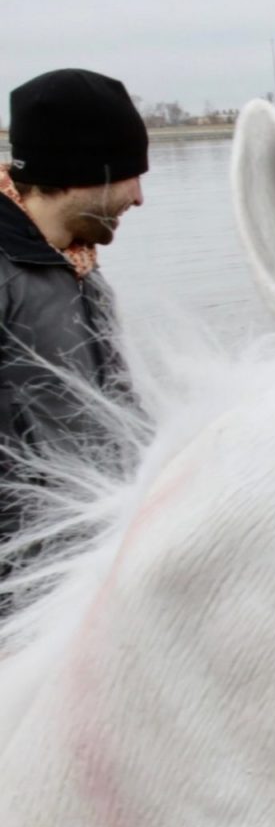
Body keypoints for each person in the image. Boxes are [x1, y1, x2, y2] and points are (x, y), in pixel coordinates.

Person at [1, 68, 148, 601]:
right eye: (131, 175)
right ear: (86, 172)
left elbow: (120, 415)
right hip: (22, 599)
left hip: (91, 578)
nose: (138, 197)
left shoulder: (84, 274)